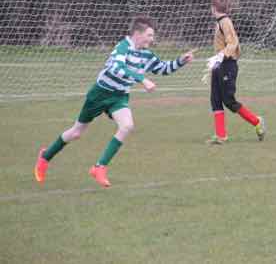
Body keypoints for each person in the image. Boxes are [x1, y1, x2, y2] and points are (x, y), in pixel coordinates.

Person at [34, 16, 195, 188]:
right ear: (137, 34)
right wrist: (142, 79)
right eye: (149, 35)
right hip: (99, 94)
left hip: (119, 97)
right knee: (76, 133)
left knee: (127, 126)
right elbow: (118, 68)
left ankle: (99, 167)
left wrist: (181, 61)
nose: (152, 39)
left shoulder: (146, 54)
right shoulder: (123, 47)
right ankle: (45, 156)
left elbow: (163, 69)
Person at [205, 0, 265, 144]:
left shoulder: (225, 22)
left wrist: (220, 57)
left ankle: (257, 121)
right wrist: (215, 62)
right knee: (215, 100)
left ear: (213, 8)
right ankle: (221, 136)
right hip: (220, 65)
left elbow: (233, 43)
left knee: (229, 101)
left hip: (228, 65)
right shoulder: (220, 22)